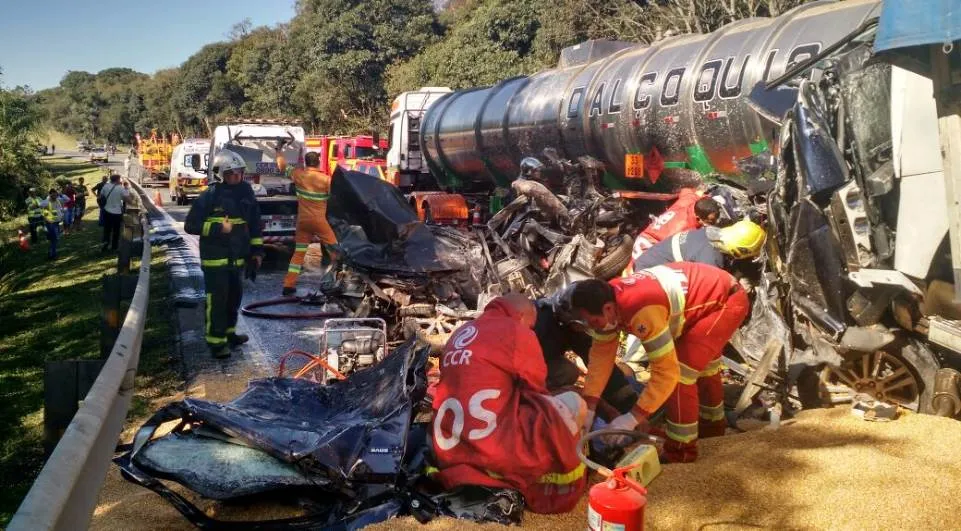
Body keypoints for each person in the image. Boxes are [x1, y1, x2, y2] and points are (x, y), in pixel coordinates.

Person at [570, 262, 750, 463]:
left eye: (594, 322)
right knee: (703, 368)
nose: (594, 328)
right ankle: (713, 431)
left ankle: (681, 452)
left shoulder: (640, 310)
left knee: (681, 374)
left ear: (609, 309)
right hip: (708, 298)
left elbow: (666, 373)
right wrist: (590, 405)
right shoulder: (605, 301)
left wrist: (632, 418)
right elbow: (600, 360)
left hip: (725, 302)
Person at [432, 293, 587, 514]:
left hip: (450, 447)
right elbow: (535, 390)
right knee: (572, 403)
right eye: (531, 325)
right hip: (495, 448)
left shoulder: (460, 332)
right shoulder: (517, 332)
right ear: (522, 316)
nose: (532, 330)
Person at [184, 150, 264, 359]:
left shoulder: (246, 192)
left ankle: (229, 334)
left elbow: (255, 223)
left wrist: (256, 252)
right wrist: (219, 228)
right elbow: (191, 225)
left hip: (237, 258)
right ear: (220, 174)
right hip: (215, 260)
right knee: (217, 301)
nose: (236, 177)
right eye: (231, 173)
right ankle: (216, 342)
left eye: (239, 172)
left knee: (233, 298)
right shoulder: (210, 195)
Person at [534, 284, 639, 416]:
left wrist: (627, 401)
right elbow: (525, 376)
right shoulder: (539, 329)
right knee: (567, 373)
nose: (593, 327)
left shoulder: (569, 324)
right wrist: (597, 408)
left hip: (542, 358)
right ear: (574, 321)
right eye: (590, 323)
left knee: (568, 372)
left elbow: (599, 363)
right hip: (522, 370)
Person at [282, 151, 338, 296]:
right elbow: (335, 198)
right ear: (318, 161)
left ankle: (288, 285)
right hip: (319, 221)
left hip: (303, 222)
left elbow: (282, 166)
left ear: (306, 162)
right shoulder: (326, 180)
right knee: (335, 250)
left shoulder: (299, 175)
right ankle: (339, 281)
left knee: (299, 253)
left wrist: (278, 151)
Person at [628, 189, 721, 271]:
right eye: (711, 221)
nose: (715, 222)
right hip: (647, 248)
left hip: (649, 235)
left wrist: (701, 194)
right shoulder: (685, 229)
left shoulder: (689, 200)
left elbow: (686, 190)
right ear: (698, 218)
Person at [632, 219, 767, 271]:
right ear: (740, 251)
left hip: (649, 259)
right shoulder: (711, 260)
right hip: (649, 274)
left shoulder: (709, 233)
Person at [99, 174, 129, 252]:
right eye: (119, 179)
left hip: (106, 210)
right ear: (117, 180)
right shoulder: (120, 188)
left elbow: (101, 196)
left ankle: (104, 246)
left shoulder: (106, 186)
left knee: (107, 230)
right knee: (116, 230)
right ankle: (114, 246)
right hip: (117, 212)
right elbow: (126, 199)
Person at [39, 188, 65, 259]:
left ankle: (51, 253)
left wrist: (62, 216)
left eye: (56, 195)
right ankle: (53, 255)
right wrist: (45, 216)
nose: (54, 196)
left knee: (54, 239)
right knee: (55, 239)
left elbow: (59, 209)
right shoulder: (47, 202)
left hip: (56, 223)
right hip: (50, 224)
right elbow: (40, 206)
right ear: (50, 195)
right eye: (53, 195)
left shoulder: (57, 201)